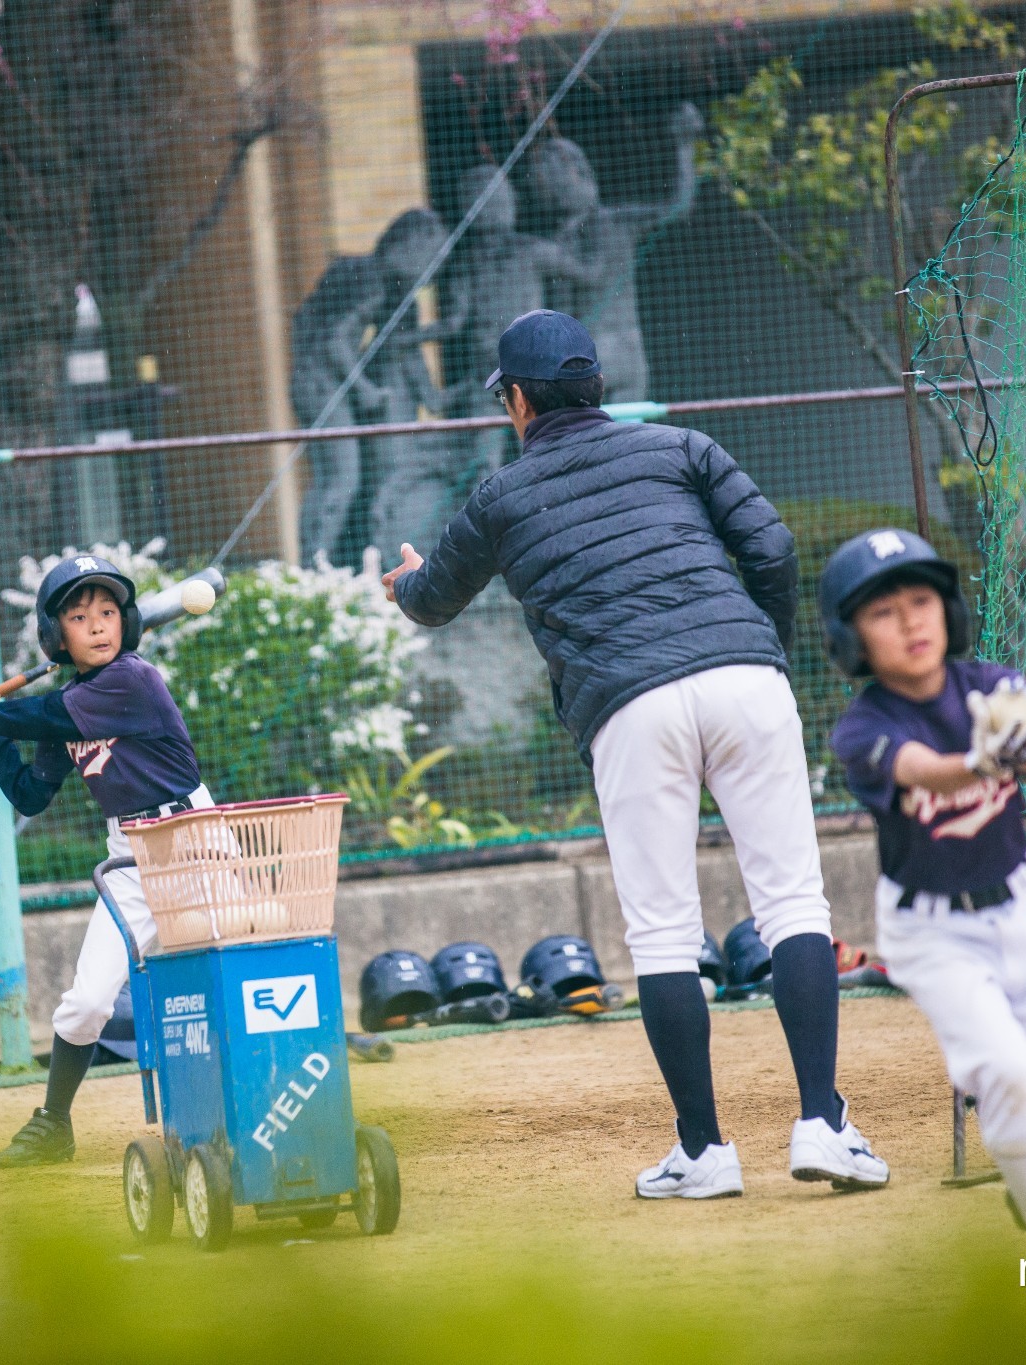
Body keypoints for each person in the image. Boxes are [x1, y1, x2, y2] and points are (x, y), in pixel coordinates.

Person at [382, 308, 889, 1201]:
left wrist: (404, 581)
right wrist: (754, 647)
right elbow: (770, 543)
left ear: (518, 401)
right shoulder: (679, 447)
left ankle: (704, 1151)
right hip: (745, 680)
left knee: (661, 930)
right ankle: (824, 1123)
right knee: (793, 901)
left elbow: (432, 601)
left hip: (629, 702)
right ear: (597, 388)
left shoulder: (501, 496)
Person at [823, 527, 1026, 1256]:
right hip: (934, 936)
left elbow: (1023, 719)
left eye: (922, 599)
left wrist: (1023, 736)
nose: (910, 621)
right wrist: (978, 758)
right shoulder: (862, 728)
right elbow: (924, 768)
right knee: (1011, 1075)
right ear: (852, 638)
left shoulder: (990, 684)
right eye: (882, 611)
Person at [0, 554, 213, 1167]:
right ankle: (53, 1123)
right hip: (130, 862)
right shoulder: (73, 704)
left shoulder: (133, 680)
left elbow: (38, 714)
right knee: (87, 1003)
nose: (97, 625)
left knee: (234, 974)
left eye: (109, 612)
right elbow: (31, 793)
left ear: (127, 623)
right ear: (55, 636)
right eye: (80, 616)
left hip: (196, 845)